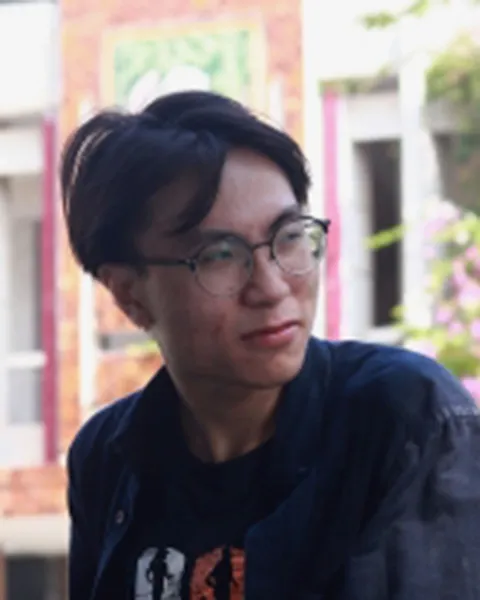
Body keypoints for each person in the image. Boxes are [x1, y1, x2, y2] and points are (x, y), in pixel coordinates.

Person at [63, 91, 480, 600]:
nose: (272, 286)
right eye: (220, 254)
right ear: (130, 294)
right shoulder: (108, 458)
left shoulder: (404, 419)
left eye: (289, 236)